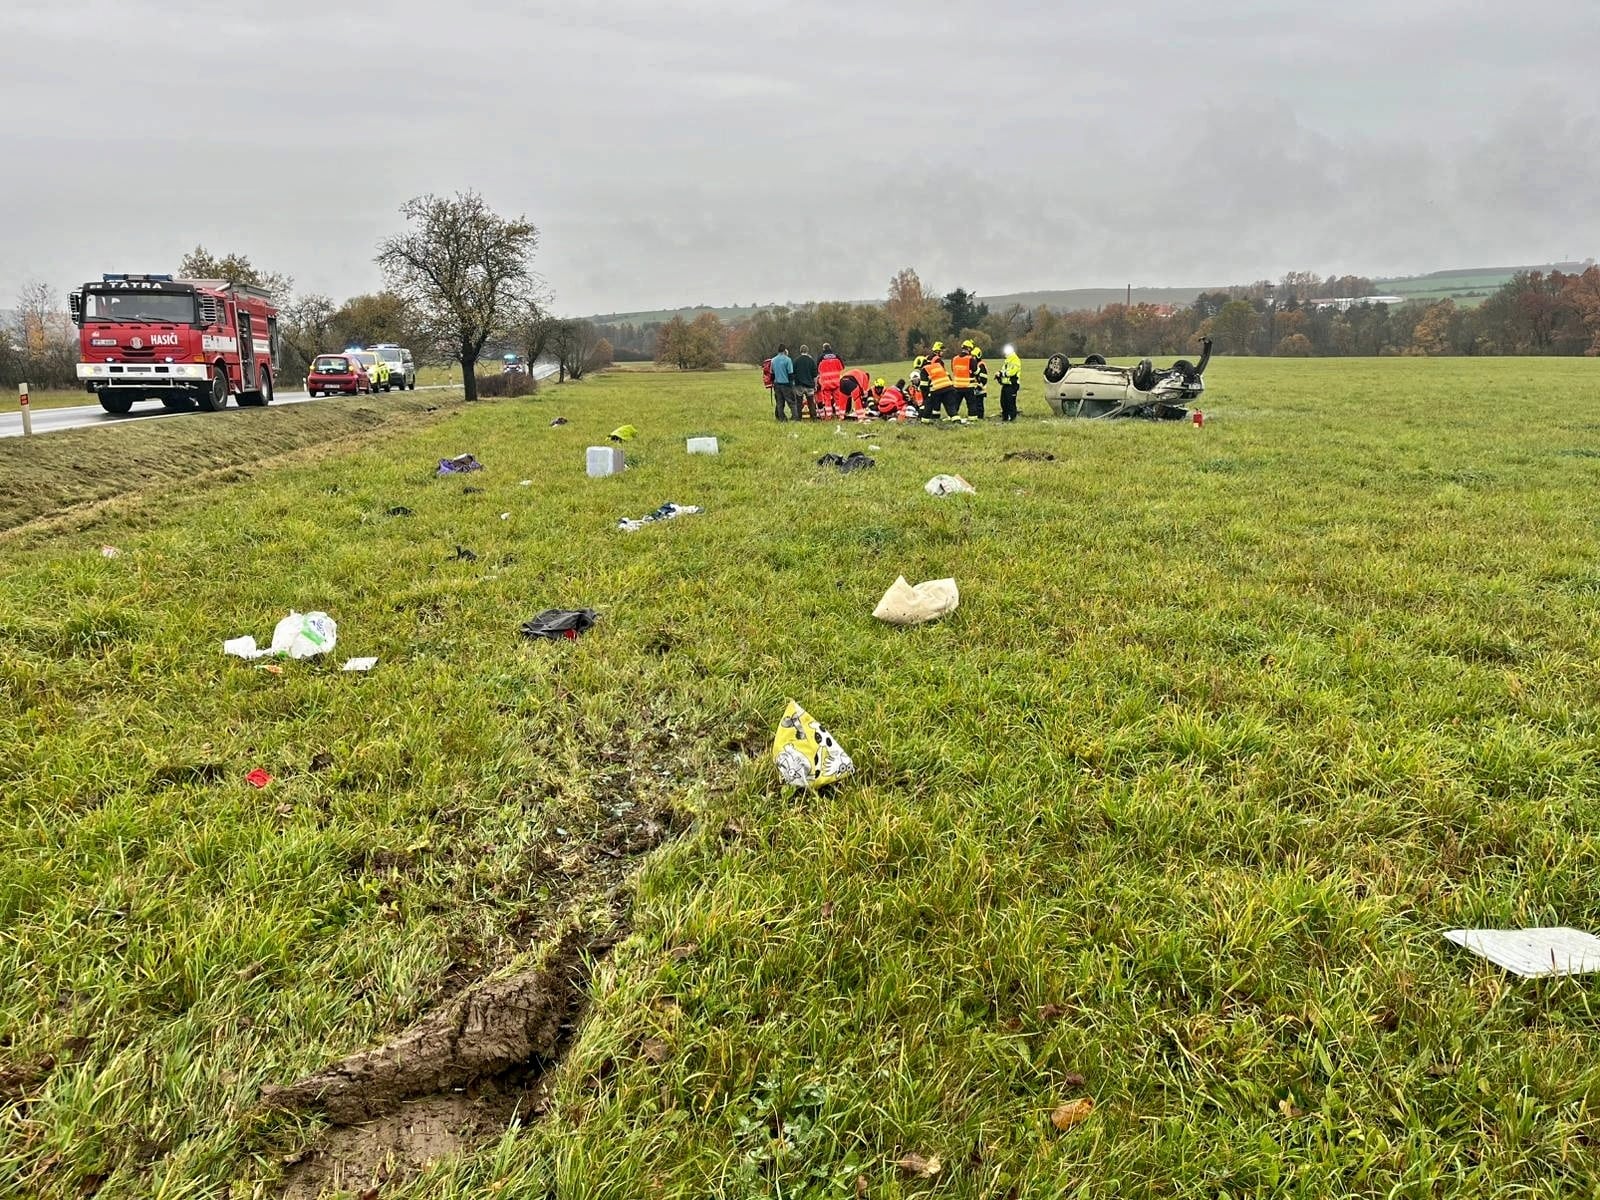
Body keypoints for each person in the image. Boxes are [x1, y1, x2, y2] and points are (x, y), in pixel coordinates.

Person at [921, 342, 954, 417]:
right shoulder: (937, 359)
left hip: (930, 382)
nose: (943, 353)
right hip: (937, 382)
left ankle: (934, 416)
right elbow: (942, 372)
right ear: (937, 351)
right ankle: (935, 416)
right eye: (941, 351)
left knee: (934, 401)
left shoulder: (928, 358)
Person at [816, 343, 845, 418]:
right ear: (830, 348)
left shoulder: (821, 358)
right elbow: (842, 367)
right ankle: (839, 415)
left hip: (826, 383)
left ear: (823, 349)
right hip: (836, 382)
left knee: (827, 400)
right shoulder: (837, 356)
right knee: (838, 399)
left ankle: (829, 416)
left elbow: (817, 369)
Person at [792, 344, 819, 420]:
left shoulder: (796, 361)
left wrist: (794, 384)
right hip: (809, 385)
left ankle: (798, 418)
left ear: (800, 351)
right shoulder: (811, 361)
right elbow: (815, 375)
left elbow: (793, 374)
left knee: (799, 402)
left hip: (799, 385)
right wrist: (815, 385)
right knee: (811, 403)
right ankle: (814, 418)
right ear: (807, 351)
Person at [950, 341, 977, 417]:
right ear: (969, 349)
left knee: (955, 404)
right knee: (971, 404)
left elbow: (953, 370)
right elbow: (975, 371)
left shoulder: (954, 359)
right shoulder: (971, 359)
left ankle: (953, 417)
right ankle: (972, 418)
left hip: (957, 386)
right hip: (968, 386)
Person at [770, 344, 797, 421]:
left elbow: (772, 374)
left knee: (779, 403)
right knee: (791, 402)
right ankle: (795, 417)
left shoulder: (773, 360)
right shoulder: (788, 360)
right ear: (785, 350)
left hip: (777, 384)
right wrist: (792, 385)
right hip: (786, 384)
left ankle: (781, 419)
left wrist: (773, 382)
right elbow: (790, 374)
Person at [997, 343, 1022, 421]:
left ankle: (1012, 417)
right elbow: (1004, 370)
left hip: (1012, 384)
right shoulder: (1007, 361)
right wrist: (999, 374)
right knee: (1003, 402)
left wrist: (1002, 374)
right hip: (1006, 384)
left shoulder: (1015, 360)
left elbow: (1012, 372)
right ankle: (1005, 417)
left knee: (1010, 402)